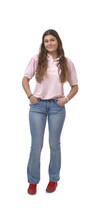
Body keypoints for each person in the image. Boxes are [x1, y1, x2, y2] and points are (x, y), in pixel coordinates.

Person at [22, 29, 79, 195]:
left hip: (57, 107)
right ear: (43, 43)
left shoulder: (66, 62)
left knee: (54, 144)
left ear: (58, 42)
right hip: (37, 107)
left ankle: (53, 179)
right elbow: (25, 79)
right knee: (36, 145)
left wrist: (65, 99)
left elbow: (75, 86)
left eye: (52, 40)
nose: (49, 43)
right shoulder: (37, 59)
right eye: (46, 41)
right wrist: (30, 96)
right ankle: (33, 182)